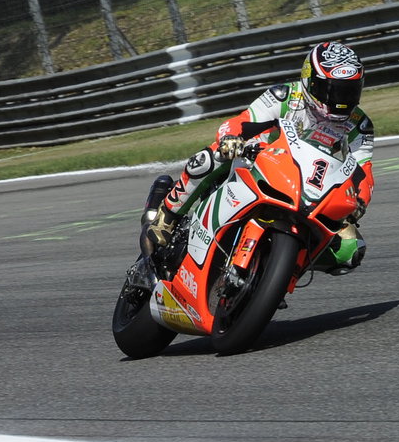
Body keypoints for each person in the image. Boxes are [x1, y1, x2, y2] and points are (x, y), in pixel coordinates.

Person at [143, 41, 376, 273]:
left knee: (350, 250)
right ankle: (169, 213)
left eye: (349, 91)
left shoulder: (359, 125)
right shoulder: (285, 96)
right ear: (310, 82)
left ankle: (281, 272)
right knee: (211, 156)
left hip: (311, 188)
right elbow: (240, 122)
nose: (340, 101)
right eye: (332, 90)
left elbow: (363, 174)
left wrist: (359, 202)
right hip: (261, 161)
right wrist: (231, 138)